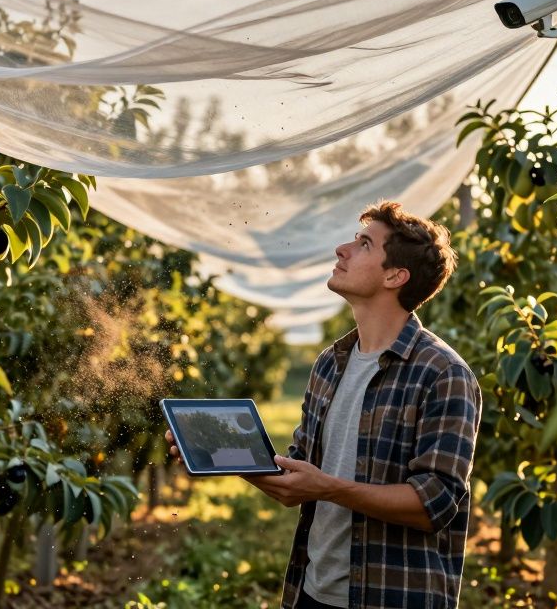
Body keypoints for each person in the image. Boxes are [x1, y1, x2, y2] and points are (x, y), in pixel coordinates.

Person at [167, 201, 480, 608]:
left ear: (395, 276)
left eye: (364, 244)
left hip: (392, 597)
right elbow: (296, 483)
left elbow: (433, 503)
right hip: (313, 590)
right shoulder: (331, 364)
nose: (341, 250)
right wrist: (220, 456)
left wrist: (329, 488)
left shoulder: (443, 374)